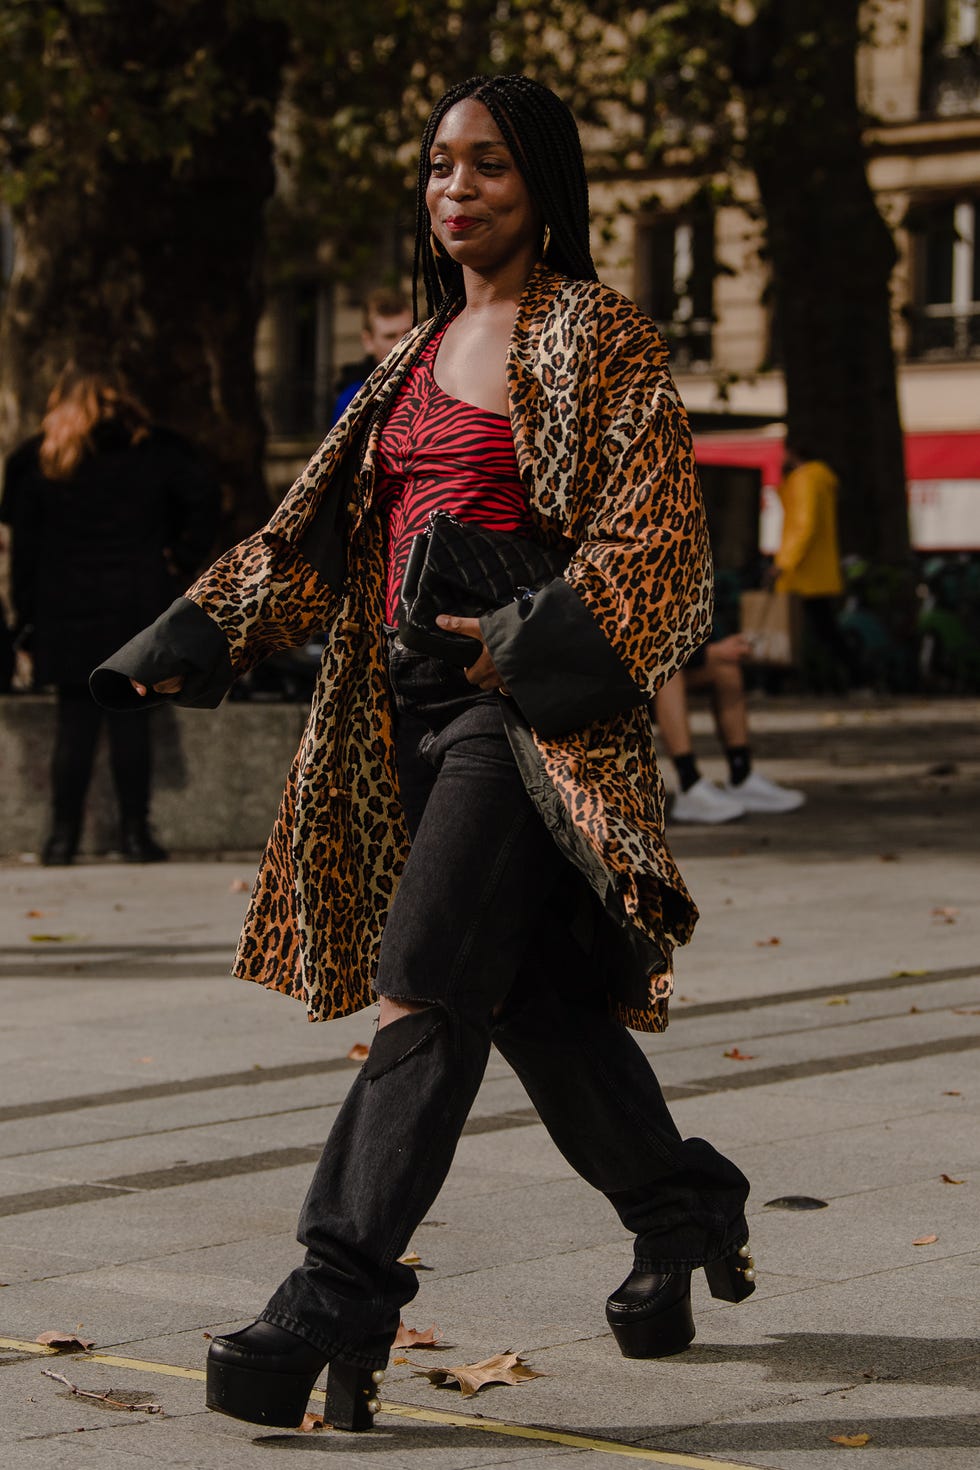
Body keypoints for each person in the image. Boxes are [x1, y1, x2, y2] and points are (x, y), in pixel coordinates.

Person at [92, 75, 755, 1433]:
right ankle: (683, 1206)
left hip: (532, 724)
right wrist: (189, 632)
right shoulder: (409, 352)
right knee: (532, 1004)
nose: (457, 191)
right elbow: (318, 532)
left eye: (491, 167)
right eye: (442, 167)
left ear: (546, 187)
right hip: (394, 718)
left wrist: (513, 642)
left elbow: (661, 550)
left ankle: (336, 1285)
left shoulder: (598, 336)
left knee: (425, 988)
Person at [1, 365, 219, 865]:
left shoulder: (38, 458)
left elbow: (25, 552)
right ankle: (136, 835)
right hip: (136, 604)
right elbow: (205, 498)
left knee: (73, 723)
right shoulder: (156, 450)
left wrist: (25, 621)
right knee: (131, 719)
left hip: (64, 605)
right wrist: (181, 558)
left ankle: (61, 838)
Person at [656, 634, 805, 824]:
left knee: (725, 667)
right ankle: (688, 783)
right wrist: (709, 652)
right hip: (619, 667)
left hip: (657, 658)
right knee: (667, 674)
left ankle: (741, 775)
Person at [772, 444, 849, 685]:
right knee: (822, 627)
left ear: (793, 453)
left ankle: (778, 682)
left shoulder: (805, 480)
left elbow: (804, 525)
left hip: (801, 570)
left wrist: (784, 561)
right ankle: (849, 677)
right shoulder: (820, 479)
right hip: (815, 570)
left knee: (788, 629)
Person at [330, 289, 413, 425]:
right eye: (390, 336)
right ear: (368, 341)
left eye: (408, 333)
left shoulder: (435, 375)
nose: (402, 343)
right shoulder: (354, 397)